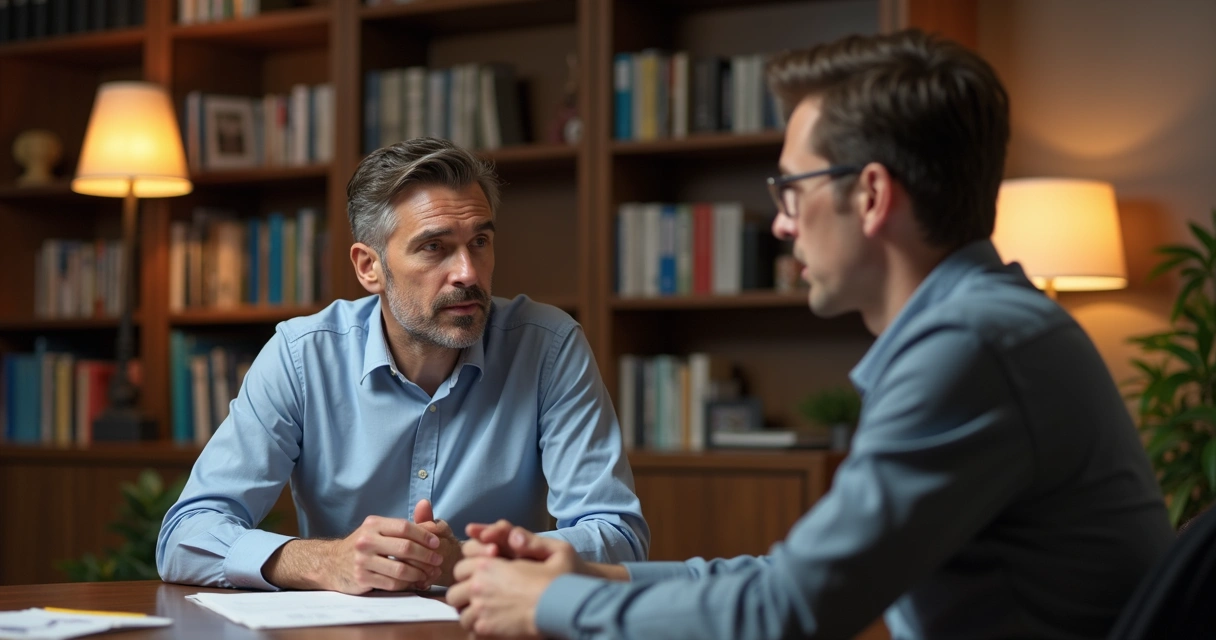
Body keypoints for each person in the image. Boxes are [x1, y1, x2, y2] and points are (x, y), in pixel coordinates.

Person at [446, 29, 1175, 639]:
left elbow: (788, 611)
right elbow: (794, 578)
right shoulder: (984, 327)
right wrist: (592, 573)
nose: (782, 223)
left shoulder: (971, 347)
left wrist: (548, 607)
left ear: (871, 194)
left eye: (791, 189)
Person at [157, 137, 649, 593]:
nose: (468, 273)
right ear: (369, 267)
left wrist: (466, 560)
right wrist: (325, 562)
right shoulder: (302, 355)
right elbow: (185, 535)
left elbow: (617, 535)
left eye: (480, 241)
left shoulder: (549, 347)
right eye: (434, 247)